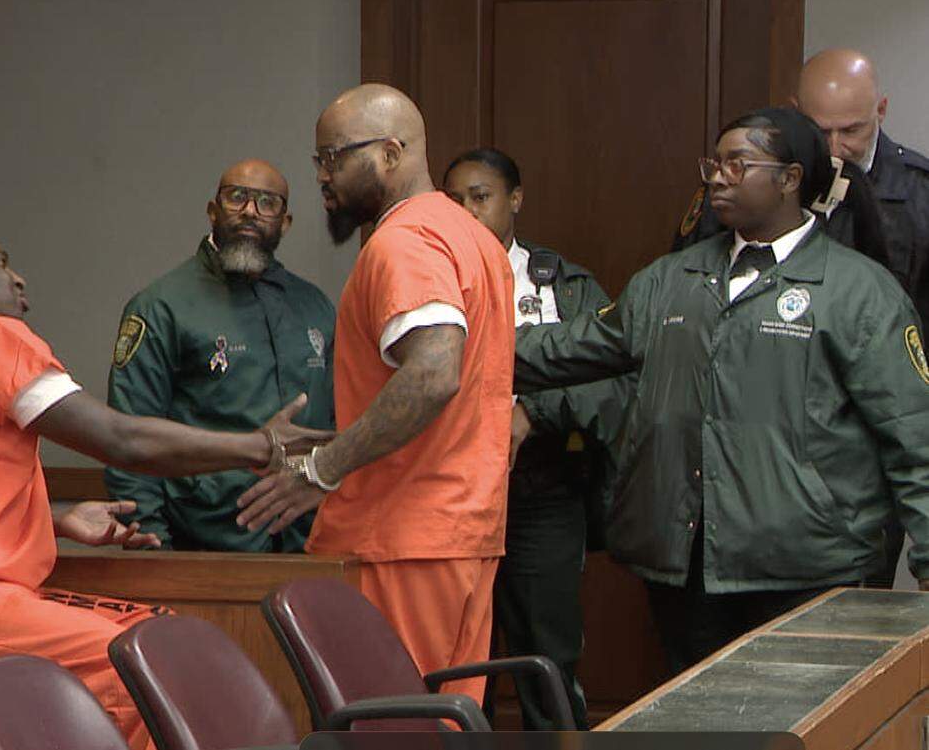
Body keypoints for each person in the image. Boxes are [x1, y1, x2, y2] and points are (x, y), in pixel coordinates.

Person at [0, 228, 327, 750]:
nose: (18, 278)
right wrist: (260, 446)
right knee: (138, 666)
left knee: (158, 629)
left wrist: (56, 516)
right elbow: (122, 439)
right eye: (0, 263)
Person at [516, 107, 929, 676]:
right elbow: (570, 348)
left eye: (739, 164)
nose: (717, 176)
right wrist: (460, 347)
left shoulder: (858, 291)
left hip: (808, 570)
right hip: (687, 570)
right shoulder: (669, 279)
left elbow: (914, 434)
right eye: (715, 163)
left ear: (789, 180)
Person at [236, 84, 515, 705]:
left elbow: (435, 373)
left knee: (389, 727)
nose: (322, 176)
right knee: (441, 727)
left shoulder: (405, 240)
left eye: (333, 157)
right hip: (460, 533)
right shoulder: (471, 237)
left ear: (391, 153)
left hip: (402, 541)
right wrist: (343, 438)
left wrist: (324, 467)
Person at [673, 49, 929, 588]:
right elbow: (687, 291)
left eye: (853, 131)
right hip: (762, 445)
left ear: (881, 110)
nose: (835, 149)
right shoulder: (743, 188)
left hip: (875, 432)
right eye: (820, 130)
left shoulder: (919, 192)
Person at [443, 147, 628, 729]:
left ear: (515, 200)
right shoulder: (431, 277)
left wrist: (535, 413)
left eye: (482, 196)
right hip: (452, 493)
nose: (469, 211)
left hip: (542, 492)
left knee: (545, 656)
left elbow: (611, 379)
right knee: (459, 659)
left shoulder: (563, 286)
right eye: (455, 200)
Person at [106, 159, 335, 552]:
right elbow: (129, 437)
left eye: (267, 202)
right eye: (237, 197)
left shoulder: (315, 306)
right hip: (205, 541)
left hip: (310, 540)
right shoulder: (162, 305)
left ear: (285, 222)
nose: (250, 210)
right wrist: (150, 544)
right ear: (213, 211)